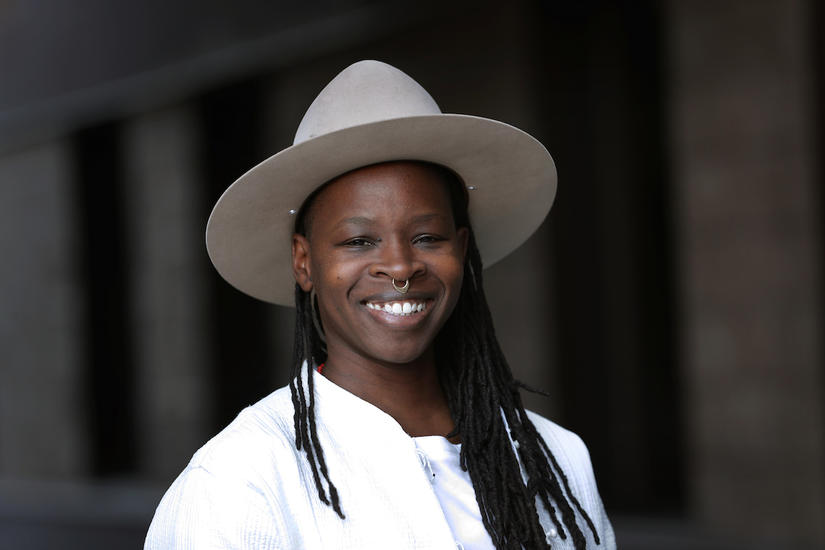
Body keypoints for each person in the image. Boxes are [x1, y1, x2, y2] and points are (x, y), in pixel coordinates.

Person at [145, 60, 616, 550]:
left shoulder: (555, 457)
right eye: (358, 241)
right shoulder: (240, 482)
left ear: (462, 249)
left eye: (427, 237)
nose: (400, 267)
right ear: (304, 262)